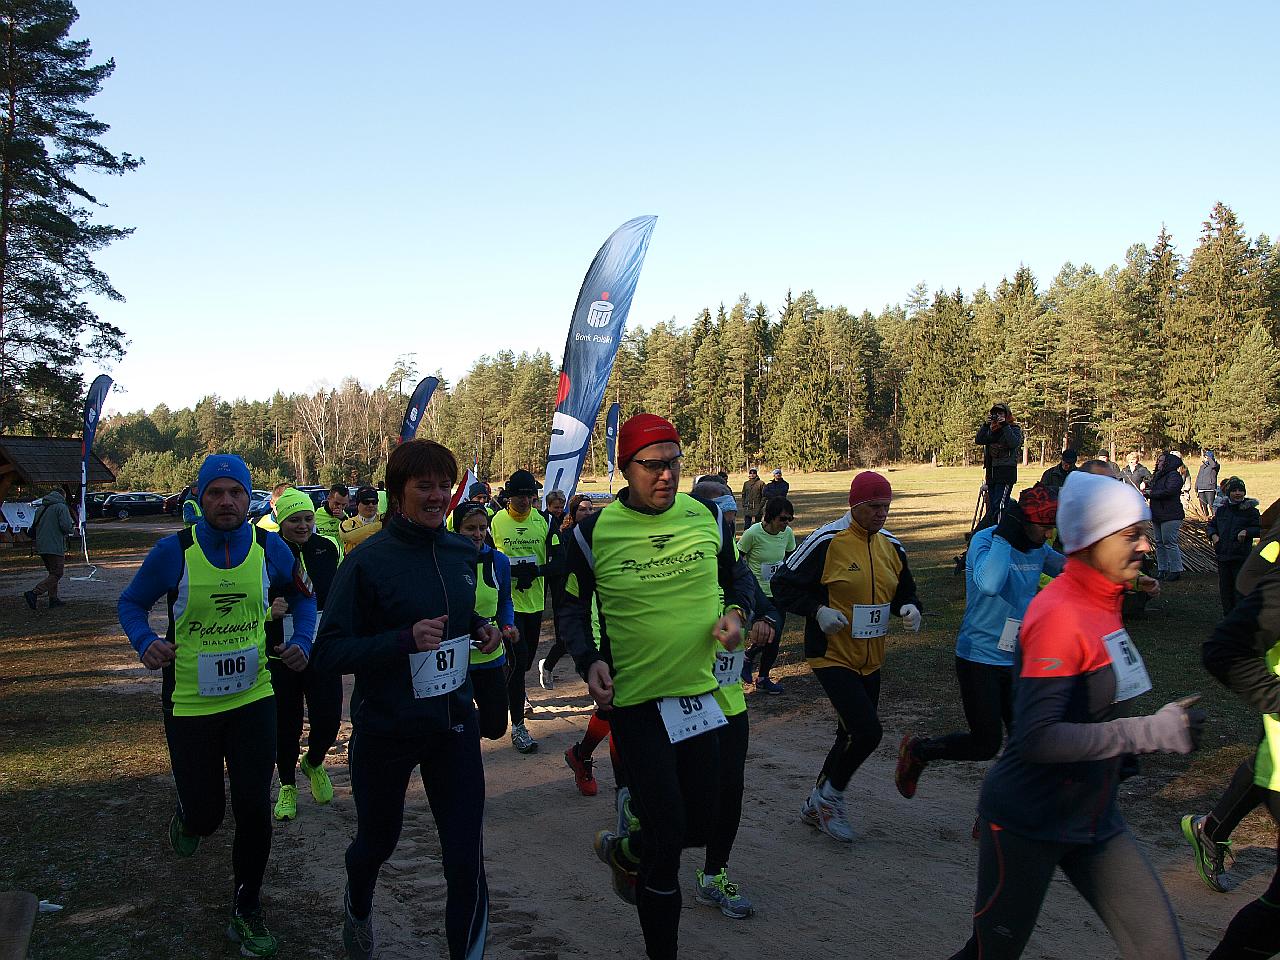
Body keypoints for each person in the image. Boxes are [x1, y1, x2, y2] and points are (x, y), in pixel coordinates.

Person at [944, 470, 1205, 960]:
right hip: (1029, 818)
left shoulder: (1102, 603)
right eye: (1130, 534)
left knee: (1162, 951)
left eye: (1144, 533)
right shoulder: (1060, 615)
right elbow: (1037, 738)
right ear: (1092, 540)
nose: (1145, 545)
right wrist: (1145, 732)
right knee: (990, 954)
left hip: (1094, 815)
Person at [556, 412, 754, 960]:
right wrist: (589, 660)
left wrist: (737, 614)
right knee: (669, 838)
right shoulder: (592, 533)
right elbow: (569, 605)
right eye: (652, 465)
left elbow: (737, 579)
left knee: (704, 824)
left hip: (699, 696)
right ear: (626, 468)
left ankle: (629, 847)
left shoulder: (706, 517)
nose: (666, 475)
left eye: (674, 463)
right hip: (637, 702)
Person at [118, 454, 317, 958]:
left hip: (254, 696)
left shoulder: (271, 548)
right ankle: (189, 817)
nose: (226, 502)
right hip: (190, 704)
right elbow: (130, 603)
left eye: (235, 492)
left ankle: (246, 908)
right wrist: (145, 642)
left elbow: (305, 598)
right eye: (215, 493)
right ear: (200, 497)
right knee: (207, 817)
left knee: (253, 808)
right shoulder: (174, 552)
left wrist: (304, 640)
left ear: (249, 499)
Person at [309, 439, 501, 960]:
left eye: (444, 485)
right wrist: (402, 641)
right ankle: (359, 900)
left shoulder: (462, 550)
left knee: (465, 857)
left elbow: (455, 611)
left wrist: (479, 628)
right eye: (424, 486)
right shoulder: (366, 561)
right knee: (378, 841)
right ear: (398, 493)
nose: (437, 496)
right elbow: (328, 653)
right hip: (387, 727)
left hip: (453, 724)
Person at [771, 471, 922, 843]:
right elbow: (782, 585)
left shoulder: (892, 546)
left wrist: (910, 608)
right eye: (874, 507)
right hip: (831, 653)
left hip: (871, 657)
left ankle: (816, 803)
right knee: (868, 732)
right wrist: (818, 611)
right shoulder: (826, 540)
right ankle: (830, 799)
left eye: (886, 507)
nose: (882, 514)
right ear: (855, 505)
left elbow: (905, 591)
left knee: (849, 733)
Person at [896, 485, 1064, 798]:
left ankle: (1000, 810)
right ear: (1022, 522)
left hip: (1018, 658)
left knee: (1025, 741)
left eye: (1052, 527)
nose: (1049, 534)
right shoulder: (986, 541)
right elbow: (989, 584)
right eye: (1044, 526)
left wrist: (1128, 580)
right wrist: (1003, 537)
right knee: (985, 744)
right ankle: (919, 751)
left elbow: (1069, 570)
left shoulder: (1038, 546)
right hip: (979, 659)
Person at [265, 488, 342, 823]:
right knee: (287, 721)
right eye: (294, 520)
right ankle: (287, 785)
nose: (303, 525)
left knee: (329, 717)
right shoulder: (267, 551)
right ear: (281, 521)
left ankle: (313, 761)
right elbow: (250, 597)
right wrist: (269, 608)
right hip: (281, 651)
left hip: (320, 645)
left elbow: (337, 591)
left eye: (308, 518)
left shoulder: (327, 547)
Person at [489, 468, 561, 754]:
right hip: (506, 605)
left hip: (535, 602)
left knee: (526, 661)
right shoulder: (495, 521)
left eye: (529, 495)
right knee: (518, 662)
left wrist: (536, 571)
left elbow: (560, 562)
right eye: (519, 496)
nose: (524, 500)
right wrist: (507, 574)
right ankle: (518, 726)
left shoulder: (545, 521)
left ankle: (510, 686)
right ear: (509, 497)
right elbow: (483, 558)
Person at [736, 496, 796, 693]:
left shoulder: (787, 534)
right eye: (783, 519)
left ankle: (761, 676)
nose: (786, 523)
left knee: (774, 636)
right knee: (767, 634)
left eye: (789, 519)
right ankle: (748, 659)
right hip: (758, 595)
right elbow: (737, 559)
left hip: (778, 593)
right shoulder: (753, 533)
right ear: (770, 517)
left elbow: (790, 559)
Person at [542, 493, 596, 697]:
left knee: (593, 637)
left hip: (592, 592)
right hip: (566, 592)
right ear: (573, 513)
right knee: (566, 639)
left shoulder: (597, 532)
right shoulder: (565, 534)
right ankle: (547, 665)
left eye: (590, 509)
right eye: (582, 509)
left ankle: (593, 681)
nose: (588, 513)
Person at [1208, 478, 1262, 615]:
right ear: (1228, 493)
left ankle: (1239, 618)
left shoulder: (1251, 511)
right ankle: (1228, 618)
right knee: (1225, 590)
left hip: (1241, 556)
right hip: (1223, 555)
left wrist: (1247, 532)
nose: (1238, 493)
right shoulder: (1222, 510)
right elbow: (1212, 525)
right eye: (1234, 490)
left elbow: (1260, 529)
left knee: (1240, 590)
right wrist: (1214, 535)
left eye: (1240, 490)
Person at [23, 486, 76, 610]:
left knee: (52, 573)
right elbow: (66, 526)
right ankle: (34, 592)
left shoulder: (41, 508)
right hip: (55, 545)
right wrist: (71, 529)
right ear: (62, 496)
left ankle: (53, 598)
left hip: (42, 545)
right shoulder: (61, 507)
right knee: (57, 573)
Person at [974, 402, 1024, 529]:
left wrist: (1005, 425)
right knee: (993, 506)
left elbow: (1013, 443)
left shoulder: (1013, 428)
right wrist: (986, 424)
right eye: (995, 414)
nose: (998, 416)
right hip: (991, 472)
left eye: (1000, 413)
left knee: (1000, 505)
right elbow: (979, 440)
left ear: (1007, 415)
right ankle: (993, 529)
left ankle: (999, 530)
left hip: (1006, 472)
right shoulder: (991, 430)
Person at [1148, 451, 1186, 581]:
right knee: (1159, 542)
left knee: (1169, 542)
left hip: (1171, 514)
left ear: (1168, 463)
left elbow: (1169, 491)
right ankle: (1162, 569)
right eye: (1158, 461)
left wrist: (1151, 493)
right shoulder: (1158, 476)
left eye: (1161, 461)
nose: (1158, 463)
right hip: (1157, 513)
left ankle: (1176, 569)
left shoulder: (1174, 476)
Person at [339, 486, 383, 553]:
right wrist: (381, 525)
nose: (371, 505)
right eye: (366, 501)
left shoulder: (384, 518)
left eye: (374, 501)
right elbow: (347, 536)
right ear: (357, 504)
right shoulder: (348, 524)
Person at [314, 484, 349, 560]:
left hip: (339, 559)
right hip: (321, 557)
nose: (340, 507)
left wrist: (344, 519)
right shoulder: (316, 515)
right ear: (329, 499)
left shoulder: (345, 516)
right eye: (337, 503)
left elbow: (350, 536)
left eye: (343, 505)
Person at [1197, 449, 1222, 517]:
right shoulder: (1202, 467)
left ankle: (1214, 517)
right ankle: (1206, 518)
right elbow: (1198, 477)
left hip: (1210, 488)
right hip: (1201, 488)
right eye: (1205, 457)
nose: (1205, 458)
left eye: (1206, 457)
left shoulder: (1215, 466)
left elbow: (1213, 465)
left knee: (1211, 505)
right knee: (1203, 506)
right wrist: (1196, 487)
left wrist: (1209, 458)